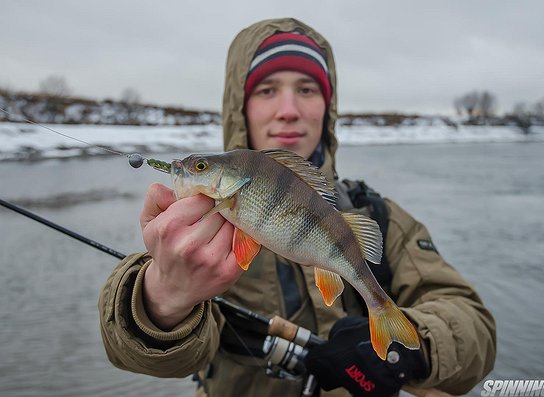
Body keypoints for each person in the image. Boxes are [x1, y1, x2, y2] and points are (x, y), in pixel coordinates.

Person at [99, 17, 496, 397]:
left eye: (307, 89)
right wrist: (162, 298)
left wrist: (417, 349)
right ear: (241, 105)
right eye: (267, 90)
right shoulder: (188, 237)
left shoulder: (378, 215)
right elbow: (140, 355)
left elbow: (475, 326)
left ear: (328, 108)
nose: (288, 109)